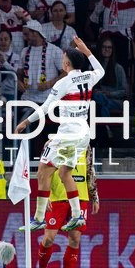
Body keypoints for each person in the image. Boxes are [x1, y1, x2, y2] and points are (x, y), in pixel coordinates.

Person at [16, 37, 105, 232]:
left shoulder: (63, 83)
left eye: (64, 58)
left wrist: (25, 122)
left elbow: (46, 108)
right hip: (84, 134)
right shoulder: (90, 77)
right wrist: (86, 49)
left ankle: (39, 218)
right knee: (65, 172)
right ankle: (76, 216)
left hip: (68, 134)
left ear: (66, 63)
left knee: (42, 171)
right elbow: (102, 70)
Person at [28, 146, 99, 268]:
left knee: (75, 239)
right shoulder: (53, 143)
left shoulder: (85, 145)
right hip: (57, 198)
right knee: (48, 238)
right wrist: (45, 194)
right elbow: (42, 172)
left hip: (81, 198)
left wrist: (95, 196)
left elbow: (90, 171)